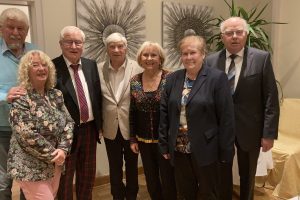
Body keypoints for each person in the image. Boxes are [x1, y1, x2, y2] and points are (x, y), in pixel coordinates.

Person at [205, 16, 280, 200]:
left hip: (250, 129)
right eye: (229, 33)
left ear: (246, 34)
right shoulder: (210, 61)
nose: (235, 36)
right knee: (222, 173)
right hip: (219, 129)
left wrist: (268, 133)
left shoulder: (261, 58)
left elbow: (271, 97)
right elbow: (205, 96)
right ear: (222, 36)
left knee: (247, 175)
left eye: (239, 32)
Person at [159, 35, 235, 199]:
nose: (188, 57)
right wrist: (164, 144)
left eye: (192, 52)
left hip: (207, 148)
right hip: (179, 149)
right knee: (186, 192)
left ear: (203, 54)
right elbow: (164, 114)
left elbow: (226, 118)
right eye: (184, 53)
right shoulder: (172, 79)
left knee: (209, 192)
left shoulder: (217, 78)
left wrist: (226, 151)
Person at [7, 50, 74, 200]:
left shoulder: (55, 95)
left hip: (56, 163)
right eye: (35, 65)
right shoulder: (21, 98)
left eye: (44, 65)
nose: (41, 68)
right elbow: (26, 135)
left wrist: (63, 149)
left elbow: (69, 122)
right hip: (30, 167)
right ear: (26, 71)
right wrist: (54, 155)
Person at [53, 26, 103, 200]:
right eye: (69, 42)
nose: (74, 46)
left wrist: (100, 126)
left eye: (78, 42)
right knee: (65, 179)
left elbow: (96, 96)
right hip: (65, 134)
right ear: (61, 44)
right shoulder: (52, 67)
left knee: (87, 177)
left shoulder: (91, 65)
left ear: (83, 45)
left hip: (90, 129)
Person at [98, 32, 143, 200]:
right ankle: (117, 195)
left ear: (126, 47)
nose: (116, 50)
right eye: (112, 46)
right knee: (114, 167)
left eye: (120, 46)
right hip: (110, 127)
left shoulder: (138, 68)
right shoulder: (98, 69)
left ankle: (132, 195)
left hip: (132, 127)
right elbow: (96, 98)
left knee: (132, 166)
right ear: (107, 49)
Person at [129, 41, 177, 200]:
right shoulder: (135, 80)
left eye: (153, 55)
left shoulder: (170, 77)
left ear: (160, 58)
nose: (149, 58)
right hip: (143, 140)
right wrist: (132, 138)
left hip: (166, 139)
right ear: (140, 58)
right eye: (146, 55)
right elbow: (132, 111)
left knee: (168, 177)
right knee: (151, 177)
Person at [0, 7, 37, 200]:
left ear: (27, 29)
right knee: (3, 183)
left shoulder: (34, 51)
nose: (16, 32)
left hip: (30, 130)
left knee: (29, 181)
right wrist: (4, 96)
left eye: (20, 28)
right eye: (10, 27)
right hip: (3, 130)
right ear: (1, 28)